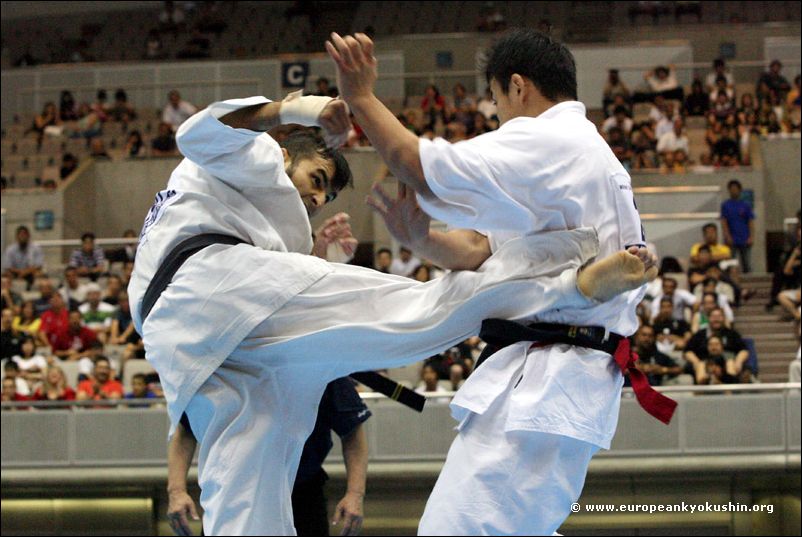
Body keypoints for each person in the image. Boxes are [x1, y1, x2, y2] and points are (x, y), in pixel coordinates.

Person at [128, 84, 656, 535]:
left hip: (199, 345)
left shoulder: (232, 206)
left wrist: (316, 259)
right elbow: (197, 132)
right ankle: (568, 280)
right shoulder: (254, 154)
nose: (316, 201)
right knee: (421, 311)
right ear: (286, 150)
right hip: (212, 287)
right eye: (316, 179)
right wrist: (298, 108)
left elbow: (284, 302)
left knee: (245, 501)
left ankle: (566, 281)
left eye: (323, 197)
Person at [326, 28, 666, 536]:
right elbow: (478, 249)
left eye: (495, 100)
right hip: (550, 379)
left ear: (517, 86)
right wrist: (421, 239)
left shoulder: (551, 140)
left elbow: (415, 163)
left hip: (551, 378)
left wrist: (360, 97)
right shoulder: (577, 154)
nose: (496, 114)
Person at [167, 377, 370, 536]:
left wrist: (355, 493)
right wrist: (176, 490)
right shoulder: (219, 357)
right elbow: (185, 431)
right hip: (230, 489)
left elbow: (352, 432)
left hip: (301, 491)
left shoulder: (313, 355)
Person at [720, 179, 755, 273]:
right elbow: (724, 221)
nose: (733, 191)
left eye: (735, 189)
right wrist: (727, 236)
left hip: (744, 237)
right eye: (731, 189)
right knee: (731, 262)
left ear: (740, 190)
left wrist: (751, 237)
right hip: (732, 238)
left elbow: (750, 221)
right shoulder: (725, 205)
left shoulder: (745, 205)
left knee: (746, 262)